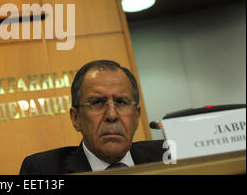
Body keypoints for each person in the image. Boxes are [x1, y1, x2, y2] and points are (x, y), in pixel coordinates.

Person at [19, 60, 164, 174]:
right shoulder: (43, 170)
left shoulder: (168, 156)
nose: (112, 115)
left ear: (137, 117)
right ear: (76, 119)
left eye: (121, 102)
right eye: (97, 102)